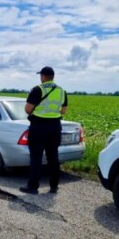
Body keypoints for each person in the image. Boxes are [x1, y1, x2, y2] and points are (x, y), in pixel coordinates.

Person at [20, 66, 68, 195]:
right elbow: (63, 111)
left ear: (43, 76)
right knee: (53, 157)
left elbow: (28, 109)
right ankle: (54, 186)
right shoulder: (62, 91)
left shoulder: (37, 89)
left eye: (40, 75)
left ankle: (33, 186)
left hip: (39, 127)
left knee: (36, 157)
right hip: (55, 127)